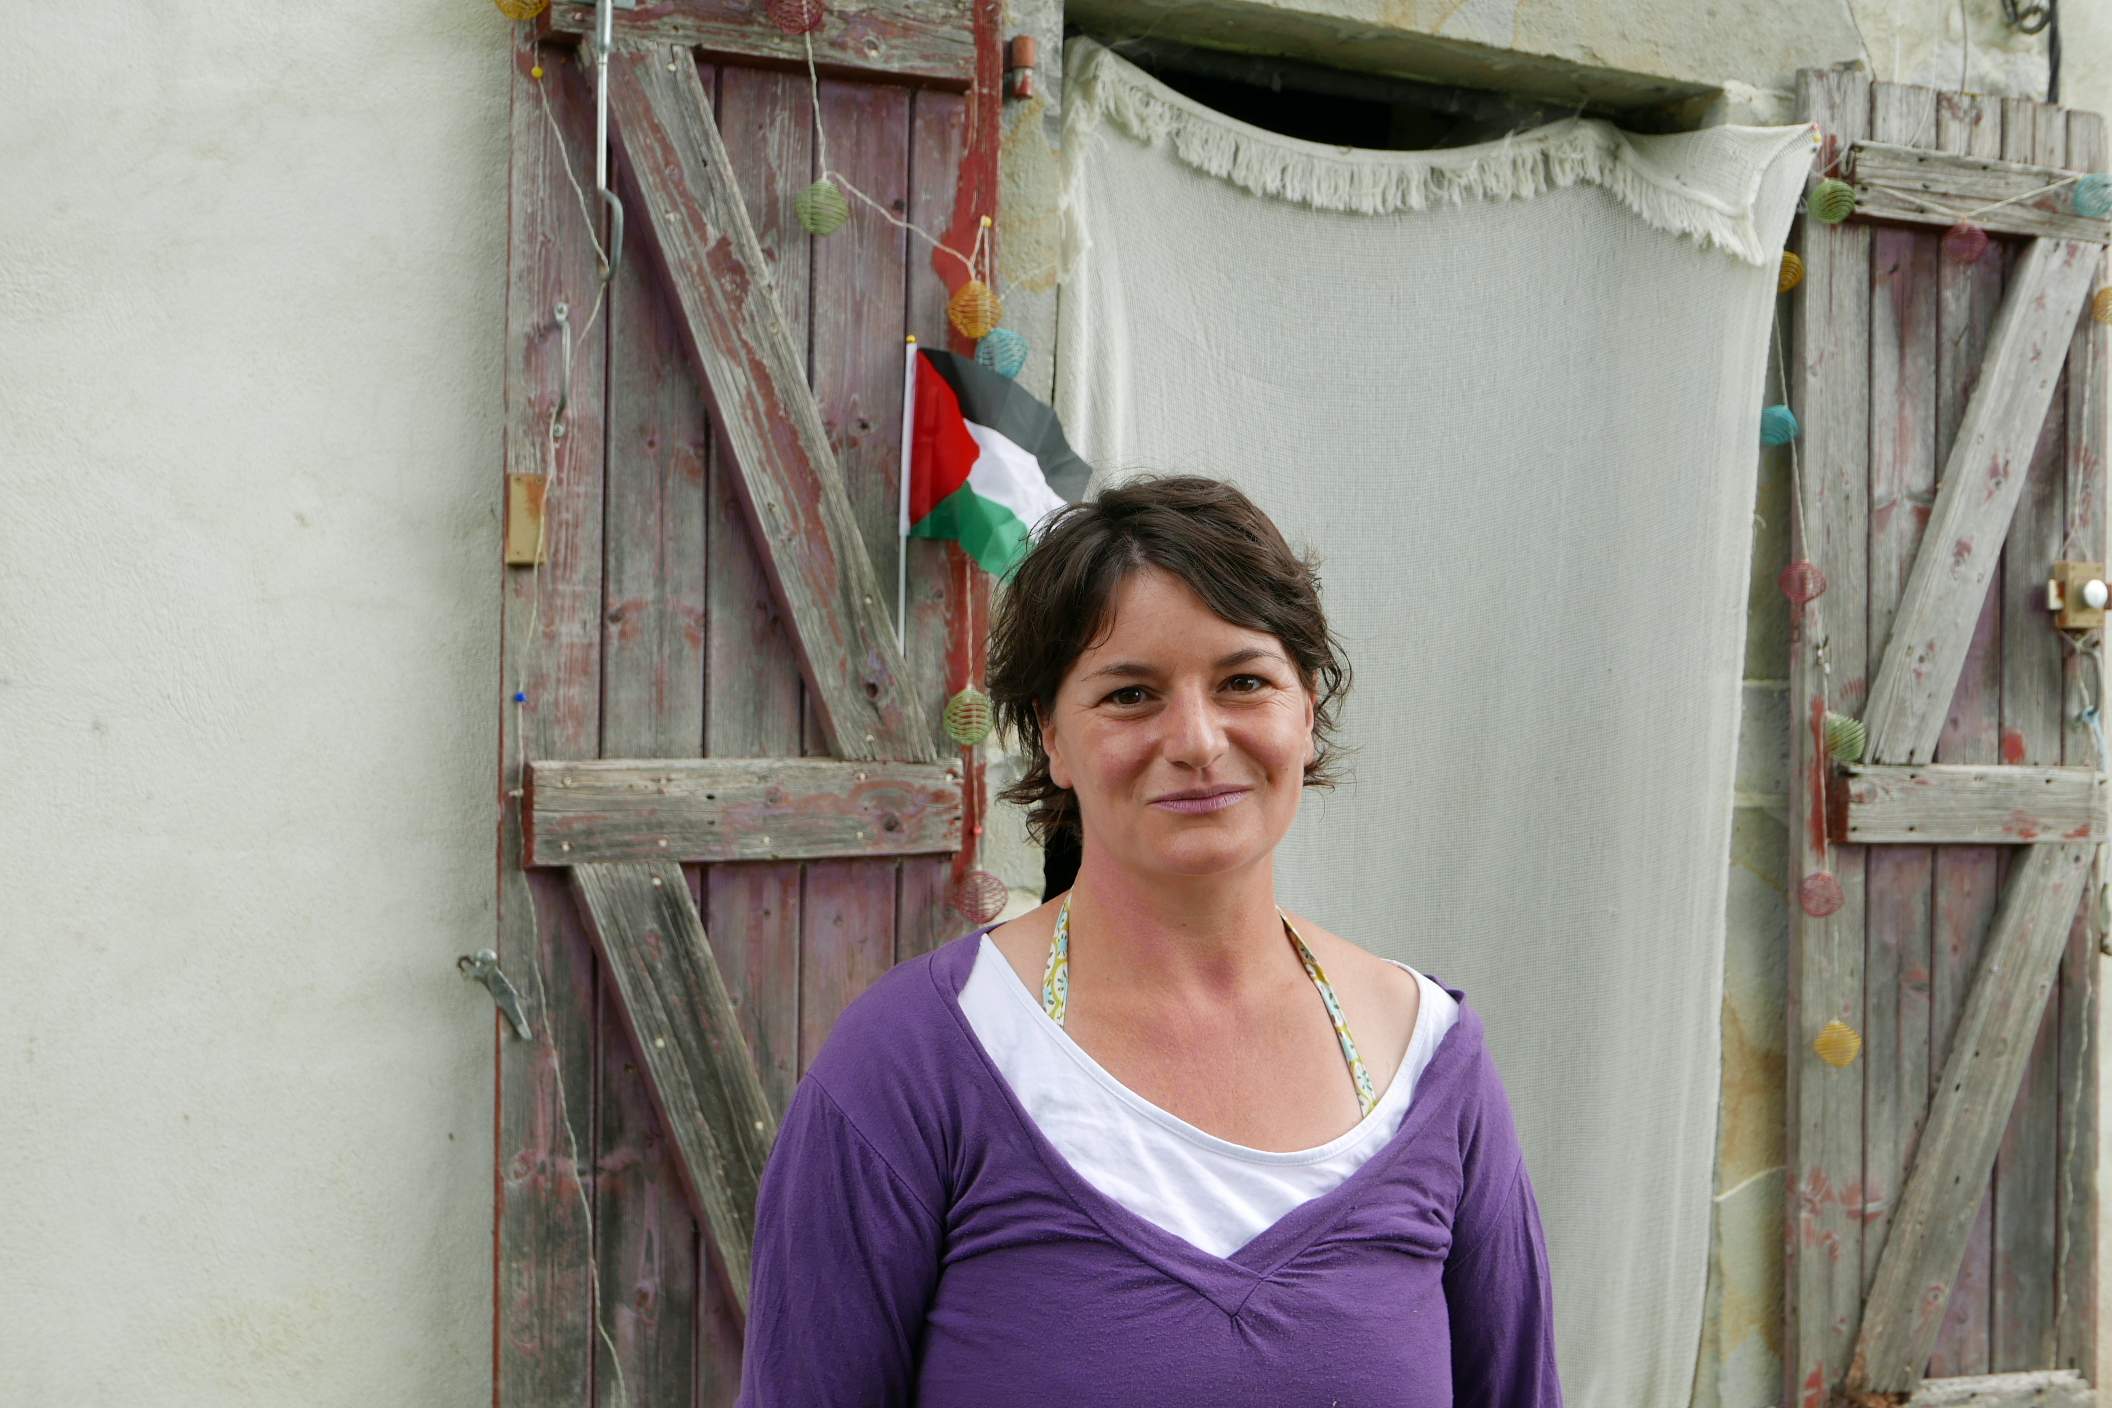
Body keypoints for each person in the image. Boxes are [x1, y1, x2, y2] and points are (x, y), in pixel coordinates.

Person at [734, 475, 1561, 1406]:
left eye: (1244, 682)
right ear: (1051, 737)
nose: (1198, 740)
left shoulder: (1431, 1061)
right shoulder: (911, 1064)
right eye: (1131, 694)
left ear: (1307, 709)